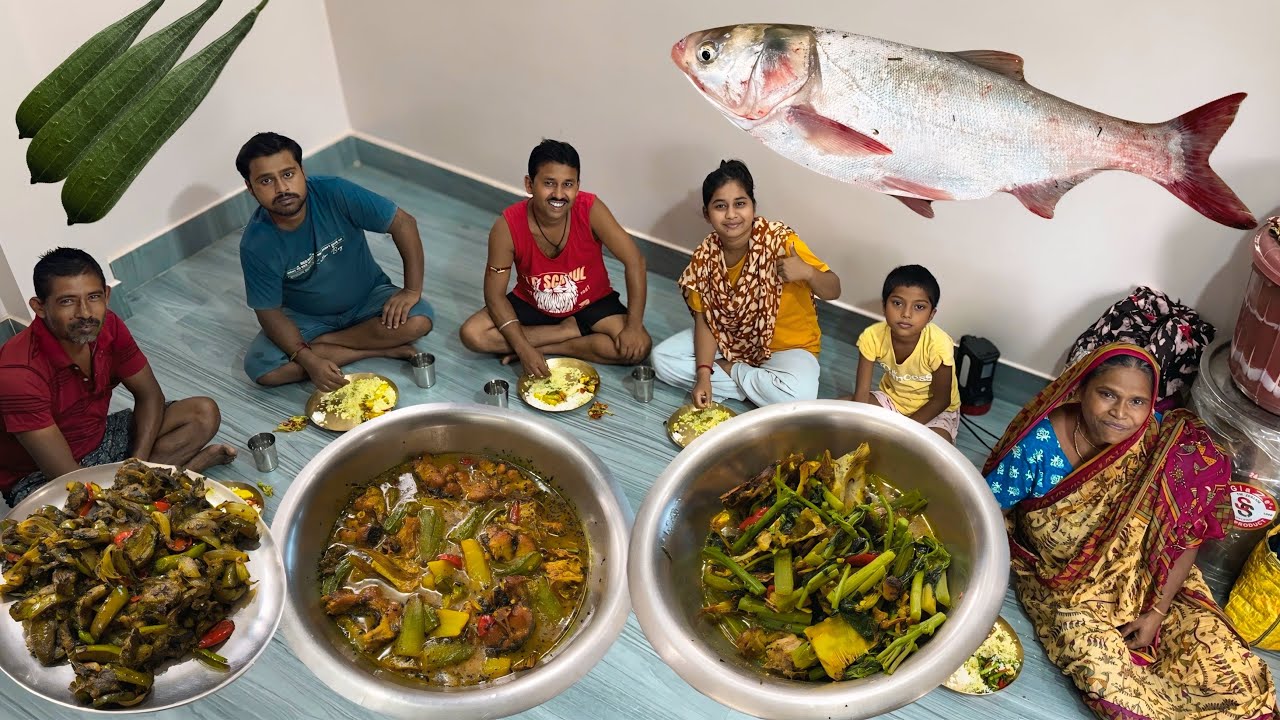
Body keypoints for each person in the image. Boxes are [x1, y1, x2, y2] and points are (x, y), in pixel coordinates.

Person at [983, 343, 1276, 720]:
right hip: (1071, 585)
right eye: (1107, 395)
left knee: (1228, 671)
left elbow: (1187, 538)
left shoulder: (1164, 447)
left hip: (1154, 573)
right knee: (1108, 675)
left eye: (1138, 401)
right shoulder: (1041, 444)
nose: (1121, 413)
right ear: (1079, 389)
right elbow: (987, 509)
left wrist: (1157, 610)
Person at [0, 249, 235, 507]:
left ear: (107, 295)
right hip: (41, 476)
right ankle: (185, 474)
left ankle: (154, 487)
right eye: (68, 301)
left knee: (203, 413)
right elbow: (68, 476)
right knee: (79, 531)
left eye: (94, 297)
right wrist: (123, 492)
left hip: (102, 439)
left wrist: (136, 465)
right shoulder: (19, 373)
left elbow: (150, 396)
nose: (85, 313)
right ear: (40, 307)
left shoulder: (108, 325)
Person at [237, 132, 434, 391]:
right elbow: (269, 312)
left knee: (420, 320)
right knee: (263, 370)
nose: (282, 188)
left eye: (288, 174)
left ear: (302, 171)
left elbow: (403, 223)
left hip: (368, 297)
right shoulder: (256, 244)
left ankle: (325, 344)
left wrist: (411, 290)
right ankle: (372, 350)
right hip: (306, 316)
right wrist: (309, 360)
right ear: (250, 188)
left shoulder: (334, 192)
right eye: (266, 181)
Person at [652, 160, 841, 407]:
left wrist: (808, 273)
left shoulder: (780, 241)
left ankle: (733, 373)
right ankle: (758, 385)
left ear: (753, 206)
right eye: (721, 206)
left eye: (740, 204)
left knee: (799, 397)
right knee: (662, 359)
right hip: (729, 339)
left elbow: (834, 289)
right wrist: (703, 374)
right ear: (707, 214)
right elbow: (706, 324)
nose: (731, 215)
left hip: (787, 350)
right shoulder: (705, 258)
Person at [458, 139, 651, 377]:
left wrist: (633, 327)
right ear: (529, 184)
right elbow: (494, 296)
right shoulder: (506, 227)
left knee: (637, 348)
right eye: (549, 183)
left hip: (590, 300)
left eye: (568, 184)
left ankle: (553, 345)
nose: (559, 194)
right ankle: (564, 332)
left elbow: (635, 261)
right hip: (532, 301)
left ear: (578, 186)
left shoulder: (591, 209)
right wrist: (522, 346)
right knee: (472, 334)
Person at [848, 265, 960, 442]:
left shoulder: (938, 344)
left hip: (933, 412)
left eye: (919, 307)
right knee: (840, 407)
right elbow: (861, 395)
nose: (906, 314)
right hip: (891, 400)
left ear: (932, 314)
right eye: (897, 303)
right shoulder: (872, 336)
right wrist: (859, 428)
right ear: (884, 306)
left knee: (937, 446)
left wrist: (900, 431)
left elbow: (941, 400)